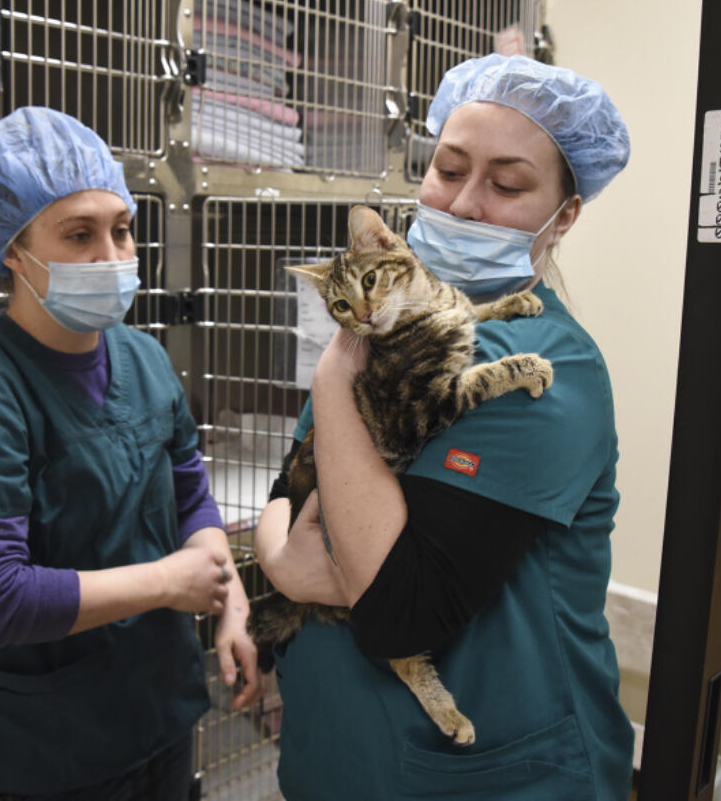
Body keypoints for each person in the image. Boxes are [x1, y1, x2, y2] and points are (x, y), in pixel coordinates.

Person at [254, 54, 634, 800]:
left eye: (507, 183)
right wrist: (278, 559)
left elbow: (400, 609)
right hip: (336, 754)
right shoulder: (383, 324)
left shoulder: (548, 367)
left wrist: (334, 374)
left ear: (565, 216)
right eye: (447, 168)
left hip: (488, 771)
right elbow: (291, 484)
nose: (461, 204)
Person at [0, 106, 260, 801]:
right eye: (79, 234)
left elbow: (190, 492)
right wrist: (169, 582)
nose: (113, 257)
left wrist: (230, 600)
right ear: (12, 249)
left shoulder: (144, 357)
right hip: (46, 752)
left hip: (157, 715)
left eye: (122, 229)